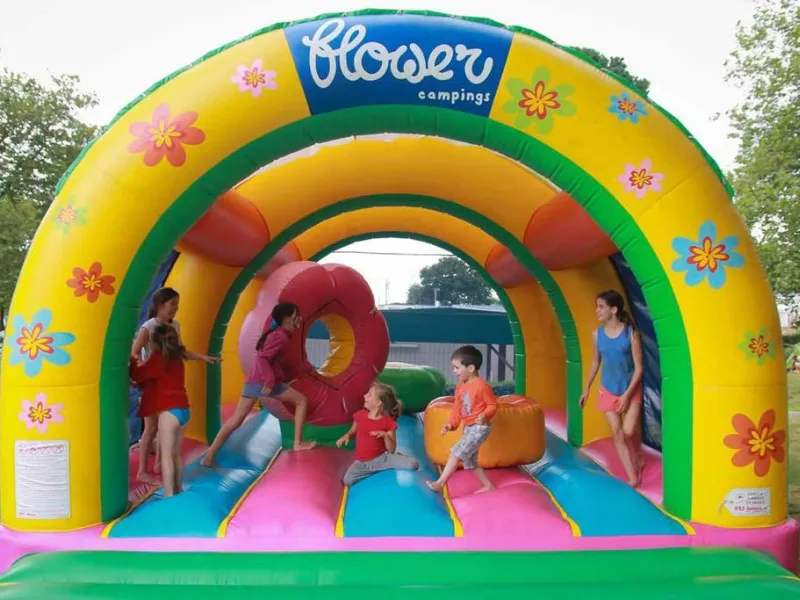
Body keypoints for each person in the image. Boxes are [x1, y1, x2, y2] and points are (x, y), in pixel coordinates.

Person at [201, 302, 316, 467]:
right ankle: (298, 443)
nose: (299, 318)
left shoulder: (279, 334)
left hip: (255, 380)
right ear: (286, 318)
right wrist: (269, 381)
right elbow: (262, 359)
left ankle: (209, 456)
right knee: (301, 401)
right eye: (295, 315)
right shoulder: (280, 337)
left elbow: (271, 361)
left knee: (236, 420)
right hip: (264, 382)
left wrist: (295, 372)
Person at [130, 287, 220, 484]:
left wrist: (202, 357)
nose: (175, 309)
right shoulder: (148, 327)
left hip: (165, 384)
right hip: (152, 383)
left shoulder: (175, 326)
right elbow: (135, 353)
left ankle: (159, 464)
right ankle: (142, 471)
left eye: (177, 305)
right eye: (172, 305)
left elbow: (179, 351)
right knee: (151, 428)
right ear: (160, 305)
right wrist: (140, 373)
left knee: (164, 427)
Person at [580, 289, 644, 487]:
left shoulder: (630, 333)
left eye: (601, 307)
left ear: (614, 310)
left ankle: (637, 455)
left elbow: (639, 368)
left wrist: (626, 396)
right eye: (597, 306)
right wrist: (586, 388)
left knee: (628, 431)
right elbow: (595, 362)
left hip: (630, 388)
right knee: (617, 433)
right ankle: (632, 477)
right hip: (607, 389)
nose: (597, 311)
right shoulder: (596, 335)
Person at [427, 345, 498, 494]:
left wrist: (485, 416)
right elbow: (457, 409)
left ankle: (440, 483)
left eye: (457, 367)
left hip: (480, 428)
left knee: (456, 452)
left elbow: (492, 405)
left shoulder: (482, 386)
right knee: (470, 461)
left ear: (471, 368)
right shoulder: (460, 387)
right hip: (468, 428)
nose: (454, 371)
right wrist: (451, 425)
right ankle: (488, 486)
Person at [129, 325, 190, 498]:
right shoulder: (177, 359)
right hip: (184, 409)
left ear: (153, 344)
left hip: (169, 412)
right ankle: (178, 488)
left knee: (167, 456)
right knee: (176, 454)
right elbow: (159, 379)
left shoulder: (157, 359)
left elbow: (138, 375)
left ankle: (169, 495)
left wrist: (132, 360)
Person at [337, 382, 419, 486]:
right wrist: (347, 435)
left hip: (382, 460)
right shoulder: (360, 416)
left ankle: (398, 458)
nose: (365, 396)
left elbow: (391, 449)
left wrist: (385, 436)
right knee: (347, 480)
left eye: (369, 395)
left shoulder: (388, 422)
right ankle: (373, 471)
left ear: (379, 403)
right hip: (362, 463)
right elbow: (353, 431)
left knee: (413, 464)